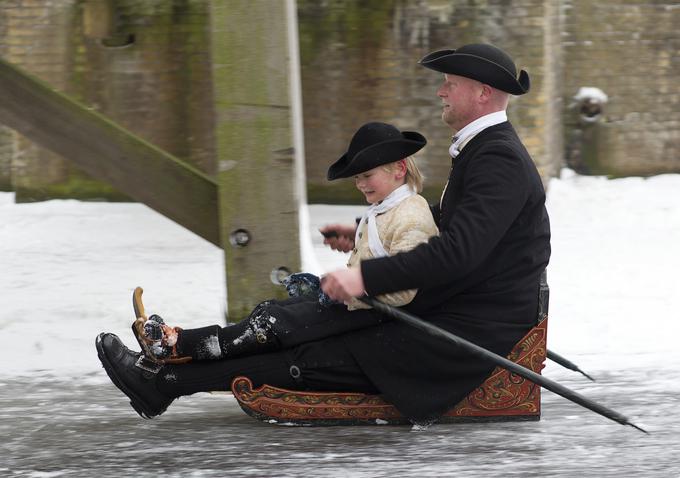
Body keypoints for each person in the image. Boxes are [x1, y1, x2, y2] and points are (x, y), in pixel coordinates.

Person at [97, 43, 550, 425]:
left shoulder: (498, 159)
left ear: (483, 92)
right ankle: (172, 359)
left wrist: (365, 279)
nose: (441, 90)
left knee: (315, 350)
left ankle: (165, 380)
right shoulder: (487, 152)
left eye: (450, 83)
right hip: (452, 309)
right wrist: (362, 231)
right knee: (309, 317)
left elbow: (457, 252)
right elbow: (442, 223)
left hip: (467, 330)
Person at [96, 121, 439, 419]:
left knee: (272, 326)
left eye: (367, 175)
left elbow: (406, 287)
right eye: (357, 177)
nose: (360, 183)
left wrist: (353, 285)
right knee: (270, 314)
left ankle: (172, 353)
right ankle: (170, 359)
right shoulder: (386, 210)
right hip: (361, 314)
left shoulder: (411, 215)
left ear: (399, 168)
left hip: (380, 325)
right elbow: (382, 258)